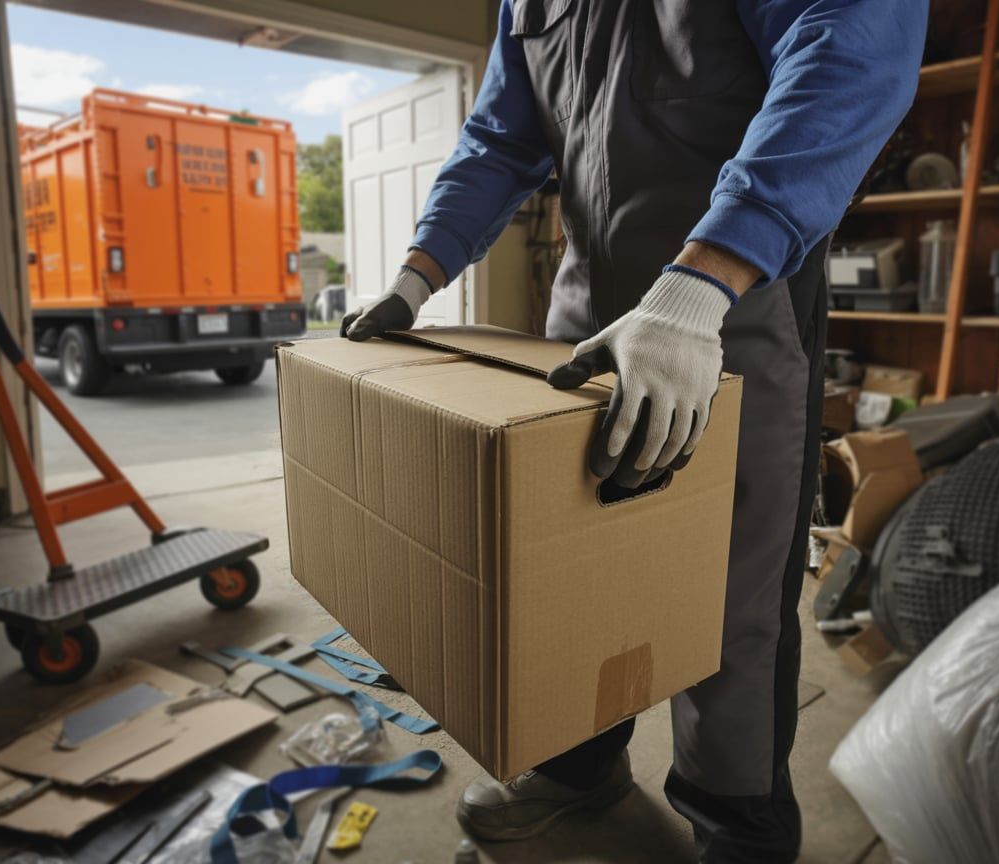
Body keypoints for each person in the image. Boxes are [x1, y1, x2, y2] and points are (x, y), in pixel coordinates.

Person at [341, 1, 927, 860]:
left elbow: (850, 54)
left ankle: (739, 831)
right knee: (574, 571)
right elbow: (501, 137)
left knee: (730, 598)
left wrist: (703, 283)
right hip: (583, 321)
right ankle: (579, 768)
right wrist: (419, 272)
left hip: (731, 310)